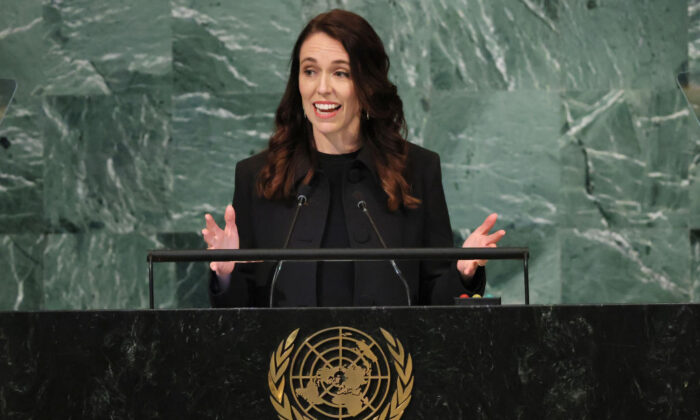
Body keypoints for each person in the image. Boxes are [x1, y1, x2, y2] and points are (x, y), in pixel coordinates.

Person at [202, 9, 505, 307]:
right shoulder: (256, 175)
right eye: (310, 71)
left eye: (340, 73)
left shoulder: (417, 170)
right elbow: (241, 323)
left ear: (367, 85)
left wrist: (463, 271)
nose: (322, 88)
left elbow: (433, 300)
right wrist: (226, 274)